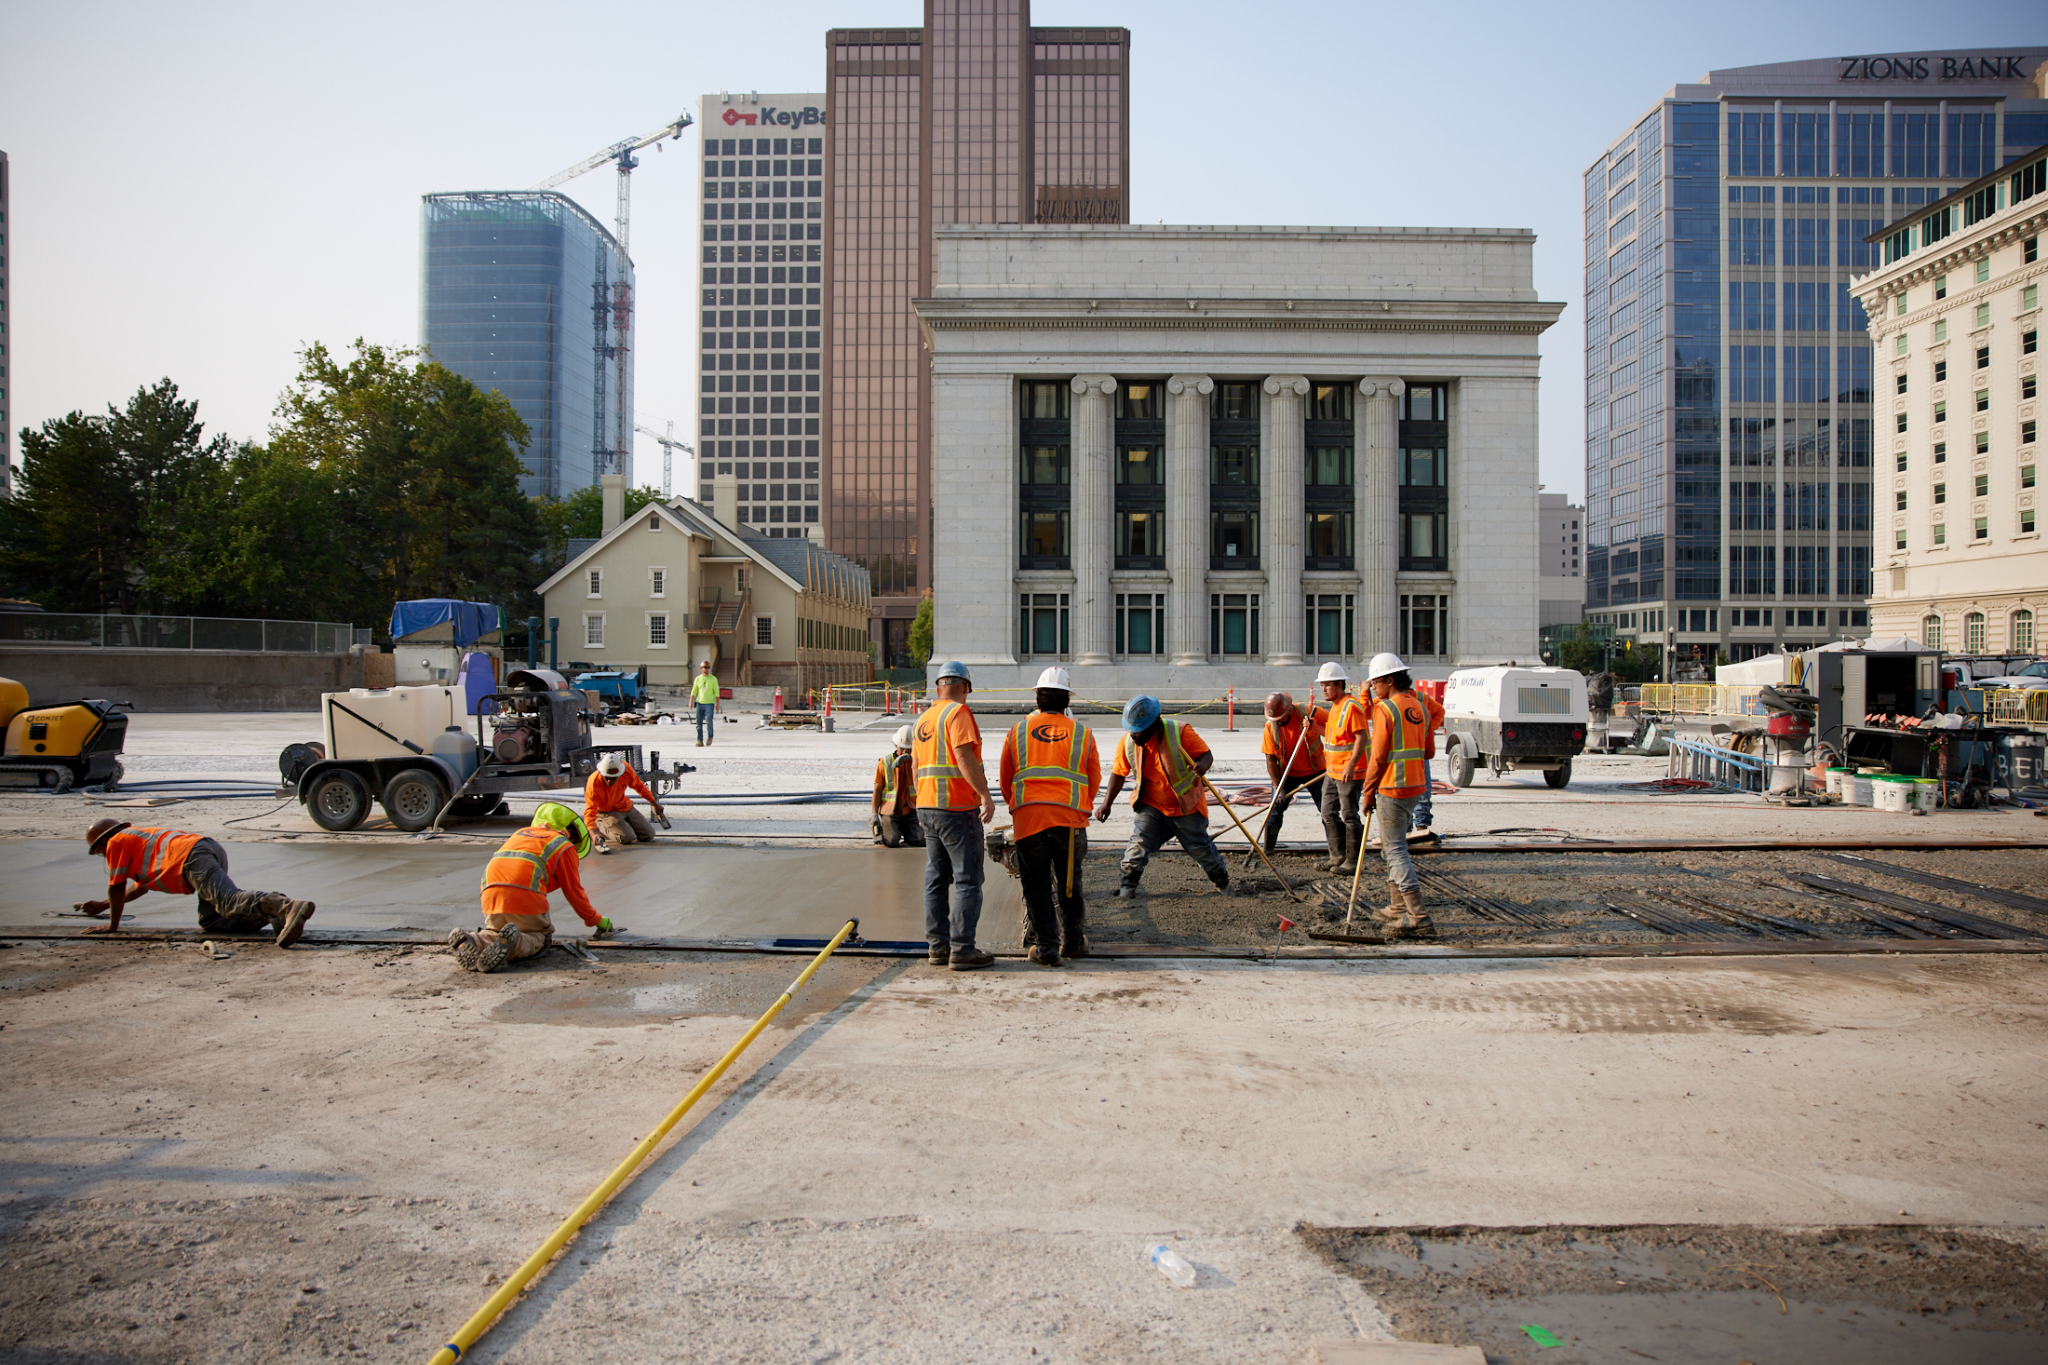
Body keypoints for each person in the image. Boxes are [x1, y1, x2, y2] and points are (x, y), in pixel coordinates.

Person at [998, 667, 1102, 967]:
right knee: (1069, 886)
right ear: (1066, 700)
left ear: (1038, 697)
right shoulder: (1082, 733)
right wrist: (1079, 805)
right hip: (1069, 823)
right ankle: (1071, 941)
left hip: (1029, 822)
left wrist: (1019, 807)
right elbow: (1093, 779)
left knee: (1036, 886)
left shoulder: (1017, 731)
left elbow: (1007, 778)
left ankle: (1047, 949)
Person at [79, 819, 316, 947]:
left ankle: (287, 906)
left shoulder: (115, 843)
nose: (102, 855)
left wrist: (112, 926)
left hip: (192, 858)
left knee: (228, 901)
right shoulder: (136, 843)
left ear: (101, 843)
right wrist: (103, 905)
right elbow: (139, 886)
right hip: (205, 849)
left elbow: (116, 886)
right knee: (213, 922)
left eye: (98, 850)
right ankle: (271, 913)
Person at [1095, 695, 1236, 899]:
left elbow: (1206, 754)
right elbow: (1118, 773)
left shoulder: (1180, 732)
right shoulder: (1128, 742)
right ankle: (1127, 889)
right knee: (1138, 844)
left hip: (1185, 806)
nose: (1133, 735)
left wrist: (1202, 766)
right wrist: (1106, 804)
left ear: (1154, 724)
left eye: (1138, 731)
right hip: (1152, 805)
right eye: (1131, 730)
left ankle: (1224, 886)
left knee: (1200, 848)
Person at [450, 802, 618, 972]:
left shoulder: (520, 834)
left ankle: (472, 940)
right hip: (523, 893)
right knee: (539, 937)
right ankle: (513, 945)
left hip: (489, 894)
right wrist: (596, 920)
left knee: (497, 930)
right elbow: (574, 893)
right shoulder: (563, 846)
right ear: (570, 832)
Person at [914, 661, 997, 970]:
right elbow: (963, 756)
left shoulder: (924, 718)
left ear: (938, 687)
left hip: (928, 807)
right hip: (957, 808)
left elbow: (914, 766)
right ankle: (962, 949)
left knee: (936, 877)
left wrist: (919, 803)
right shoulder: (959, 714)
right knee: (967, 879)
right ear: (966, 687)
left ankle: (937, 947)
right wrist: (985, 794)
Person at [1356, 652, 1435, 939]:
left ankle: (1418, 915)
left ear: (1390, 680)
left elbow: (1376, 759)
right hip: (1415, 787)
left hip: (1392, 788)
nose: (1374, 688)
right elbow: (1429, 752)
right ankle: (1396, 906)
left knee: (1396, 850)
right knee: (1394, 846)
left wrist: (1367, 793)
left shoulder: (1386, 710)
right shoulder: (1421, 708)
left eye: (1376, 683)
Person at [1316, 661, 1371, 873]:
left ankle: (1352, 862)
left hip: (1350, 772)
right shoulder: (1336, 707)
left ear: (1340, 684)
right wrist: (1314, 727)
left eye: (1327, 685)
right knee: (1328, 812)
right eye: (1322, 685)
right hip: (1332, 771)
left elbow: (1361, 737)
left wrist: (1351, 765)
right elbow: (1337, 740)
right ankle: (1336, 856)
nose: (1324, 689)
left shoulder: (1351, 706)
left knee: (1349, 815)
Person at [1257, 690, 1325, 857]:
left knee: (1328, 809)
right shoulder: (1270, 727)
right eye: (1275, 719)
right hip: (1287, 774)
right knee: (1275, 809)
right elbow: (1271, 760)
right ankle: (1268, 850)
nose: (1278, 722)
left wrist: (1315, 726)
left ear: (1289, 711)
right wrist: (1277, 786)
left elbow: (1337, 726)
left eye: (1280, 718)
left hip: (1316, 770)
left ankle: (1338, 851)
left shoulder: (1309, 712)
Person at [583, 751, 667, 850]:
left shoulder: (626, 770)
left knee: (648, 835)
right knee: (627, 838)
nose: (609, 781)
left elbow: (639, 786)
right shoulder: (594, 782)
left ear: (620, 774)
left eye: (613, 778)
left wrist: (654, 803)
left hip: (623, 806)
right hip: (605, 811)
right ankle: (599, 826)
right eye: (607, 777)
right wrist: (592, 834)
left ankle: (621, 826)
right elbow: (590, 810)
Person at [871, 724, 924, 847]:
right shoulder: (884, 763)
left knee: (921, 840)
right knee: (891, 841)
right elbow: (877, 790)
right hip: (890, 812)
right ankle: (893, 831)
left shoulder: (917, 763)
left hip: (910, 811)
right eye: (903, 748)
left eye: (909, 749)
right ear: (896, 745)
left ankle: (906, 831)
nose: (906, 752)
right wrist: (874, 814)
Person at [1410, 683, 1445, 845]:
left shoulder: (1420, 698)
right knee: (1407, 793)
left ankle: (1421, 827)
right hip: (1403, 753)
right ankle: (1408, 828)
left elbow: (1439, 711)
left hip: (1417, 751)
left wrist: (1428, 731)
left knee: (1422, 791)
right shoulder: (1385, 699)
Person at [690, 660, 721, 746]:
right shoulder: (698, 679)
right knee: (698, 723)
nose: (706, 669)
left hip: (709, 704)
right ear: (701, 668)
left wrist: (717, 704)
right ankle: (699, 740)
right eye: (705, 668)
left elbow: (716, 692)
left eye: (708, 668)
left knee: (709, 721)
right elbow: (694, 690)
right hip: (700, 703)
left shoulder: (713, 679)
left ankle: (710, 736)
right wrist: (691, 701)